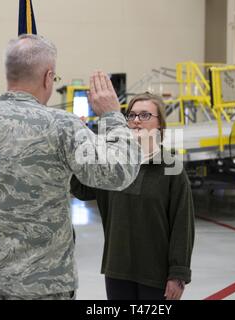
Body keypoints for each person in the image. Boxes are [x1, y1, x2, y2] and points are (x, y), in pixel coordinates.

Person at [0, 34, 141, 300]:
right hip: (47, 287)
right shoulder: (63, 127)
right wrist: (112, 116)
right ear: (47, 76)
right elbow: (118, 173)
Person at [70, 92, 195, 300]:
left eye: (145, 115)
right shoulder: (112, 164)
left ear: (160, 125)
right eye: (131, 115)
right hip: (117, 269)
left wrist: (178, 274)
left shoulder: (171, 168)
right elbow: (81, 189)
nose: (136, 120)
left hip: (156, 275)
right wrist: (79, 143)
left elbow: (183, 226)